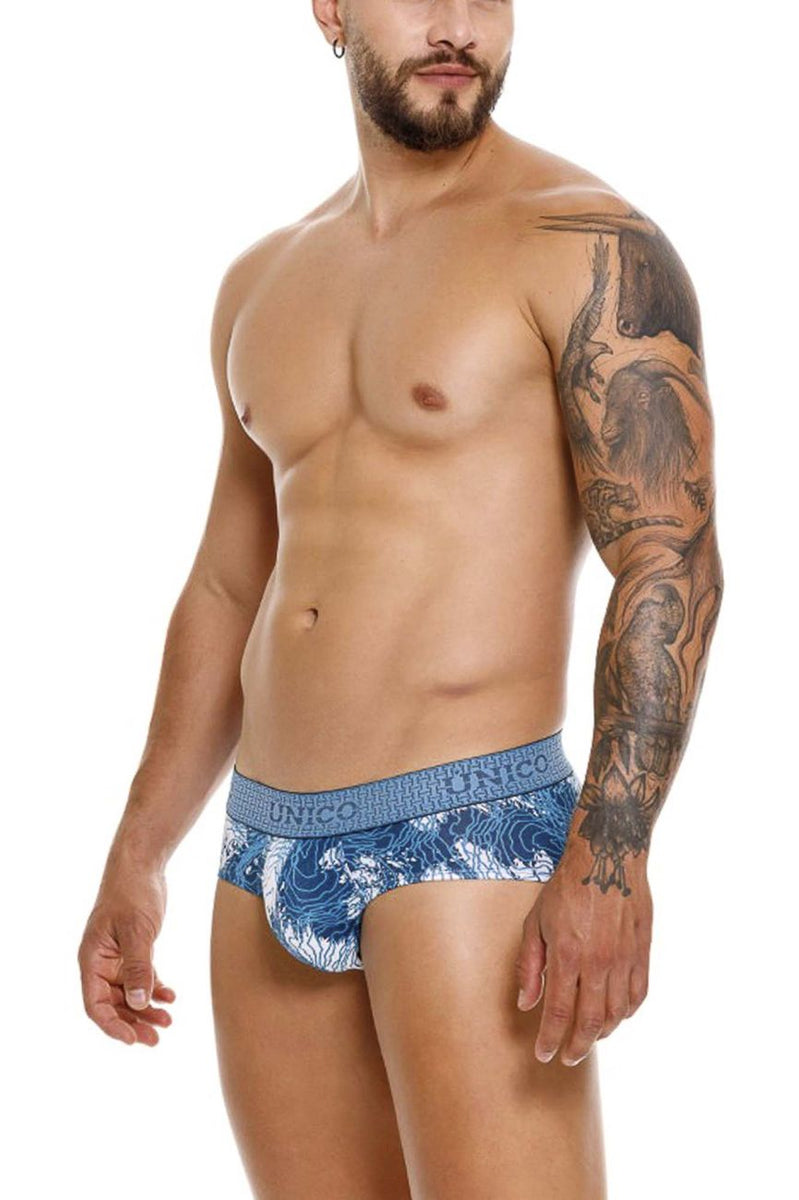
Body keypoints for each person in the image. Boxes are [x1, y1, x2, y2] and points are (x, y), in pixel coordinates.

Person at [78, 1, 724, 1196]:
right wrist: (140, 849)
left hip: (469, 837)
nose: (455, 25)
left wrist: (610, 858)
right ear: (330, 6)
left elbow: (668, 559)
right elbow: (227, 582)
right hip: (263, 849)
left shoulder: (585, 244)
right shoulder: (263, 280)